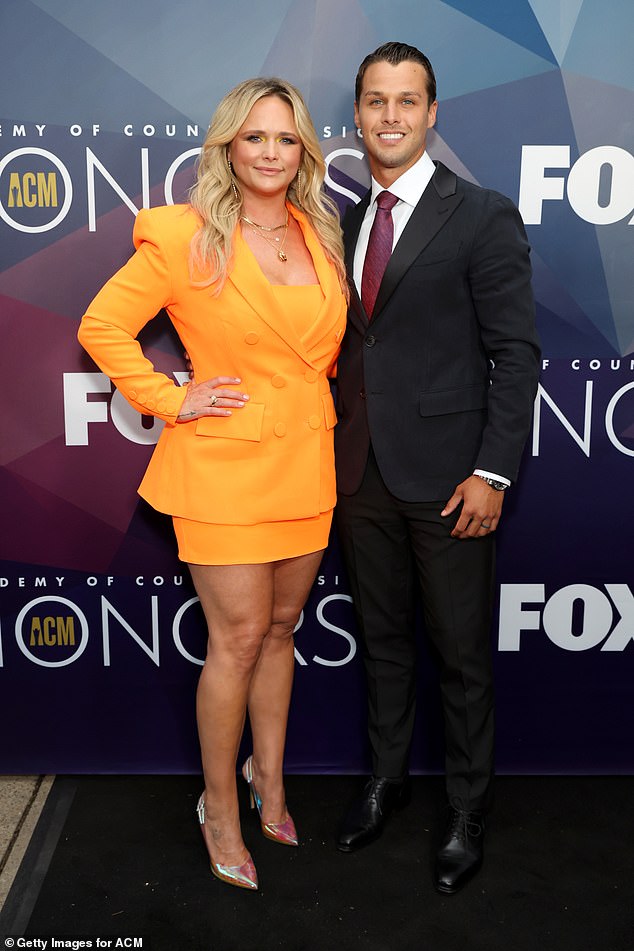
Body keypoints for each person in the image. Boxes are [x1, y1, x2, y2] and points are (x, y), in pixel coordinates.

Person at [78, 77, 347, 892]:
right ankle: (219, 808)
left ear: (304, 150)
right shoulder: (185, 236)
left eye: (287, 138)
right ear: (229, 144)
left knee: (281, 628)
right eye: (255, 137)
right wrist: (171, 396)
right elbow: (102, 325)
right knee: (234, 639)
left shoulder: (321, 230)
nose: (271, 152)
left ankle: (271, 781)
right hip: (224, 466)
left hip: (308, 461)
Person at [333, 42, 541, 893]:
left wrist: (492, 473)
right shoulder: (336, 220)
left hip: (453, 478)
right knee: (383, 644)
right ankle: (386, 781)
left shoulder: (483, 214)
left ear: (432, 113)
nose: (390, 115)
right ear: (356, 114)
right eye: (375, 101)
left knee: (459, 655)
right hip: (358, 474)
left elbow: (516, 355)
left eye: (406, 101)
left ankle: (467, 808)